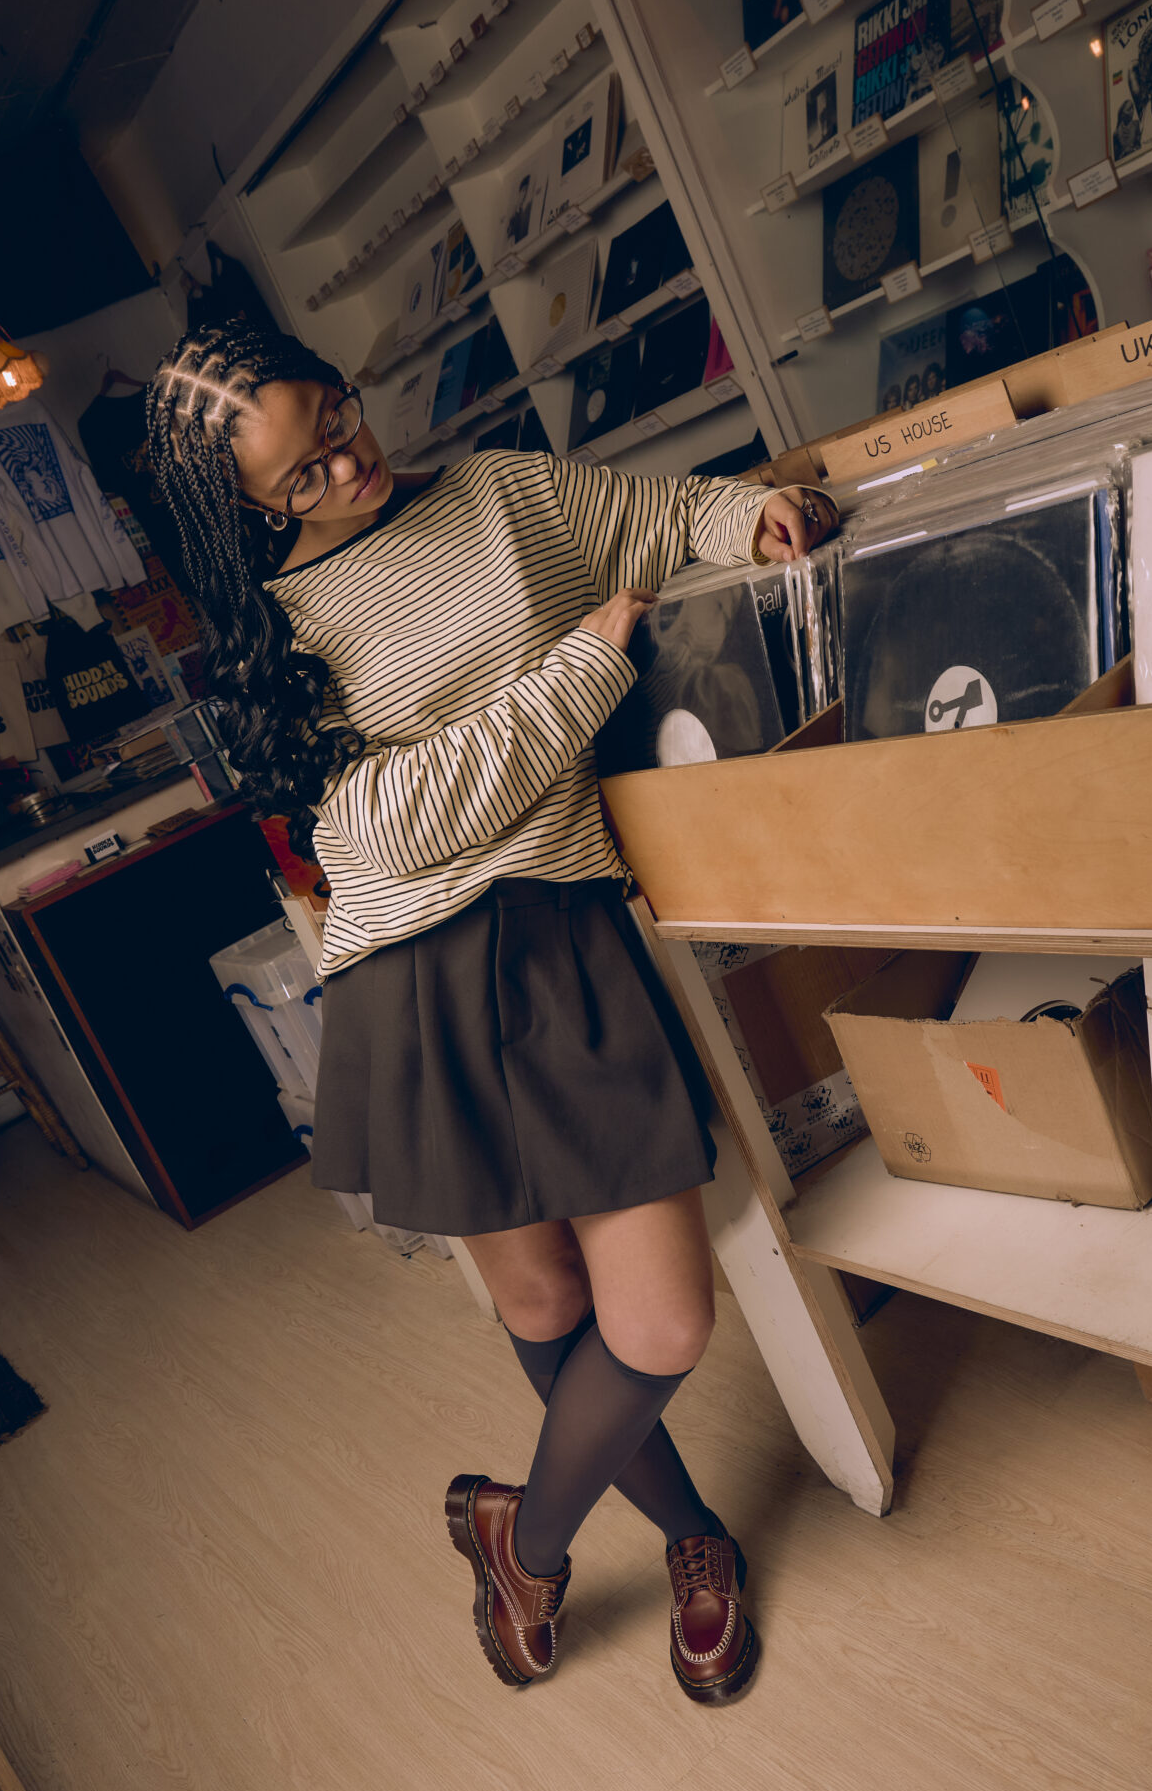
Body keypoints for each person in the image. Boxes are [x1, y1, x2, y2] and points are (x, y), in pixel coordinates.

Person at [145, 322, 839, 1705]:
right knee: (542, 1299)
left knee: (658, 1327)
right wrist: (581, 671)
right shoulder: (272, 645)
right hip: (407, 983)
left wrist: (753, 514)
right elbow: (391, 832)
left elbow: (657, 518)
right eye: (304, 474)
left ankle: (522, 1536)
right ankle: (695, 1540)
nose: (350, 460)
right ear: (245, 513)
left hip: (562, 935)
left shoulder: (503, 496)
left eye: (337, 412)